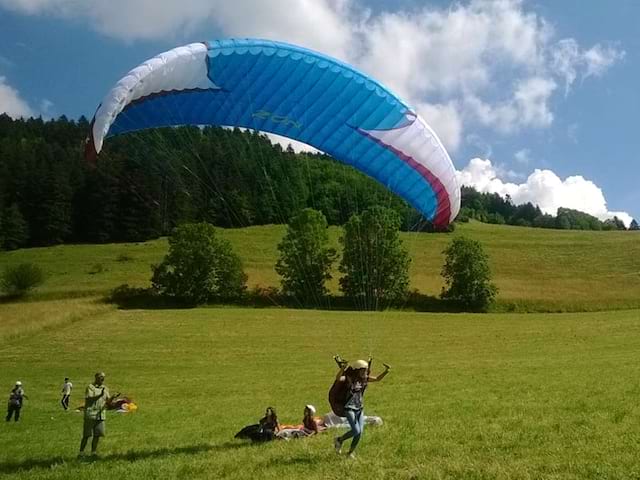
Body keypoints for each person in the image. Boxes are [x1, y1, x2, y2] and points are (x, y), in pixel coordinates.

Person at [333, 358, 390, 458]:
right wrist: (342, 369)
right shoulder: (349, 378)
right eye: (363, 370)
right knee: (356, 430)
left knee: (359, 433)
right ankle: (339, 439)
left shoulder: (365, 379)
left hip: (359, 408)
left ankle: (350, 453)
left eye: (366, 370)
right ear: (358, 370)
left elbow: (377, 379)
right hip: (349, 408)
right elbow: (338, 378)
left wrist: (386, 371)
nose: (365, 372)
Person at [79, 372, 118, 457]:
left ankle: (93, 452)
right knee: (87, 435)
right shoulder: (90, 387)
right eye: (100, 377)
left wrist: (113, 398)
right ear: (96, 377)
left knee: (97, 434)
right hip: (91, 414)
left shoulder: (105, 388)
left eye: (103, 377)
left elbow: (107, 402)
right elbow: (89, 399)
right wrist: (99, 395)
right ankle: (81, 452)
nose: (102, 378)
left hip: (100, 415)